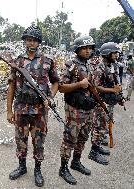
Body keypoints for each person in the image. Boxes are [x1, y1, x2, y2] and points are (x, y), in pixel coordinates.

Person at [7, 25, 59, 187]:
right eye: (28, 39)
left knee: (39, 141)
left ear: (39, 42)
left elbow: (56, 82)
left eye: (34, 40)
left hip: (39, 110)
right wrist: (9, 111)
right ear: (24, 41)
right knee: (20, 139)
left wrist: (49, 97)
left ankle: (37, 169)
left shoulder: (48, 61)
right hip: (21, 108)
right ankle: (22, 167)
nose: (31, 42)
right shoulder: (17, 61)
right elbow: (11, 86)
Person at [58, 36, 97, 185]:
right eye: (84, 48)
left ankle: (76, 162)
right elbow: (61, 87)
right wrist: (79, 84)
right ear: (78, 49)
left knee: (83, 137)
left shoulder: (89, 65)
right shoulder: (70, 64)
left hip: (87, 108)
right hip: (74, 109)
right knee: (70, 139)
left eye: (90, 48)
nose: (88, 51)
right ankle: (63, 168)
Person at [90, 42, 122, 165]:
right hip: (100, 101)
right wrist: (113, 90)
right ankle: (93, 152)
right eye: (113, 53)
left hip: (108, 100)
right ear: (107, 53)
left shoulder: (111, 65)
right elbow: (96, 87)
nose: (116, 55)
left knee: (103, 127)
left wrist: (118, 95)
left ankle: (97, 148)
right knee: (98, 127)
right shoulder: (100, 67)